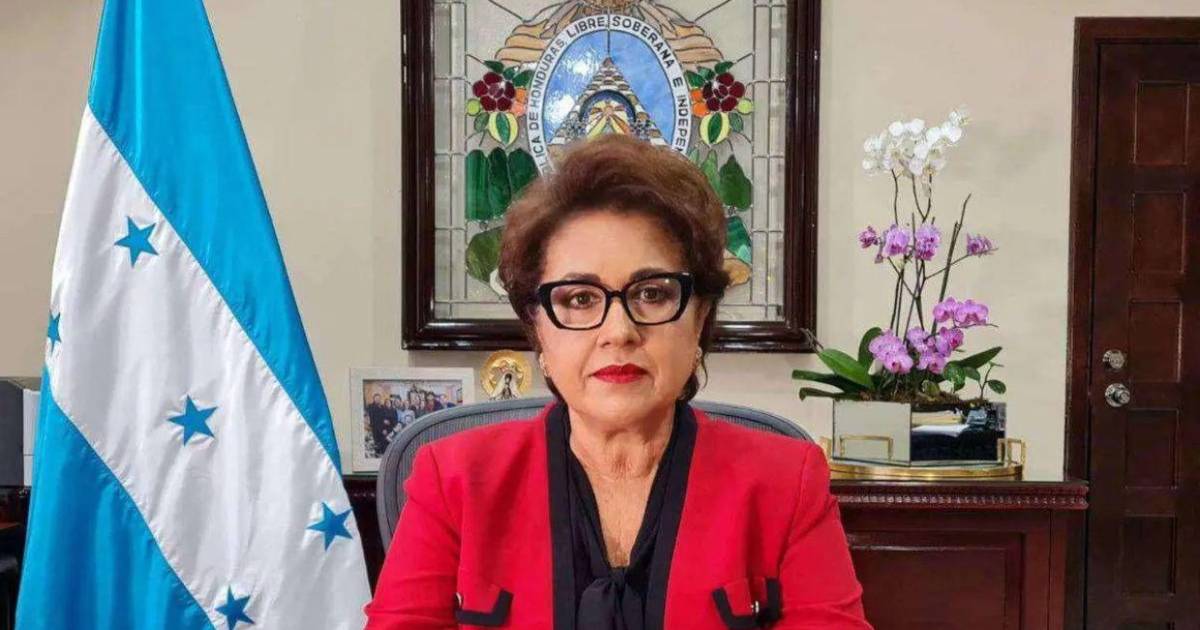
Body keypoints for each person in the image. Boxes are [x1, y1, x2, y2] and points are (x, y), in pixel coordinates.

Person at [365, 135, 871, 628]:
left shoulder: (786, 483)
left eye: (652, 293)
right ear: (538, 330)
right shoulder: (453, 480)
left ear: (699, 319)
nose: (619, 331)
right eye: (579, 299)